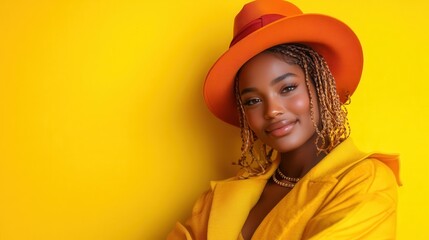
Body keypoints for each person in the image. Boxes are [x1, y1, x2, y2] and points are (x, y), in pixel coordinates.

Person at [168, 0, 401, 239]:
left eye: (288, 88)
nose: (272, 110)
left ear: (321, 86)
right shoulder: (219, 197)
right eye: (252, 101)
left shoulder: (364, 182)